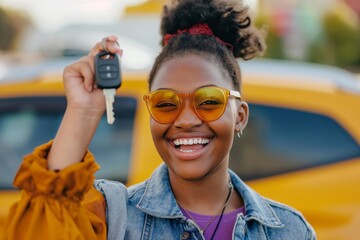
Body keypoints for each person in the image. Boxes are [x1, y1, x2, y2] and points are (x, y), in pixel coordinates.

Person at [4, 0, 316, 239]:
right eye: (166, 103)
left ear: (240, 116)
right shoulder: (113, 218)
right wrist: (83, 112)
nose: (186, 119)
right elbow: (40, 227)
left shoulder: (289, 230)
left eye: (209, 101)